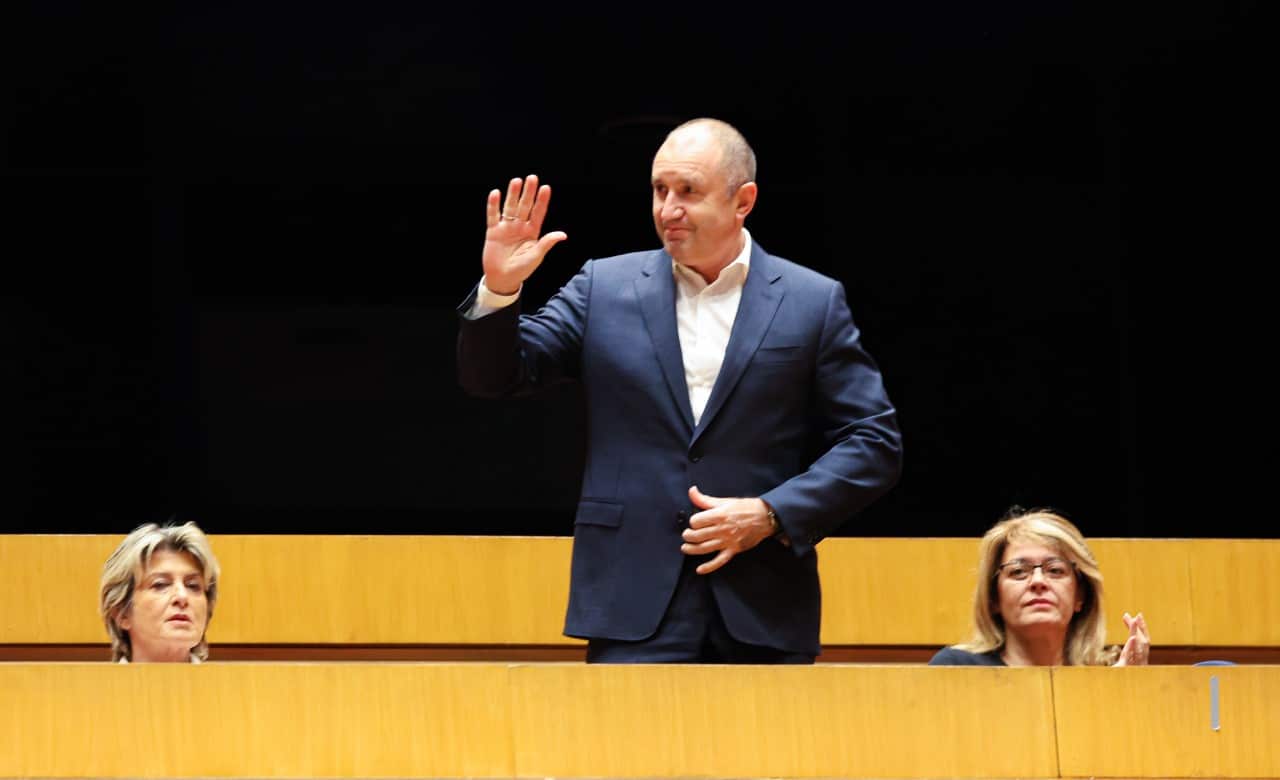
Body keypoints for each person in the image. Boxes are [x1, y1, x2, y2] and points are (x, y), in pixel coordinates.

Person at [456, 117, 902, 663]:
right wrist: (500, 289)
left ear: (743, 201)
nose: (668, 209)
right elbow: (494, 378)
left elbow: (873, 443)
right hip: (631, 601)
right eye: (659, 190)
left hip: (761, 604)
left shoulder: (811, 300)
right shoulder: (603, 288)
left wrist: (770, 514)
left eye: (688, 191)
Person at [929, 507, 1150, 666]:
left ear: (1080, 596)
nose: (1038, 581)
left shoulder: (1105, 675)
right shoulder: (955, 668)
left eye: (1055, 570)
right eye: (1018, 571)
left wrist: (1122, 691)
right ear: (994, 598)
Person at [99, 521, 220, 663]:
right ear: (121, 612)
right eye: (160, 585)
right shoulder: (87, 679)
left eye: (193, 586)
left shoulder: (233, 678)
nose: (182, 596)